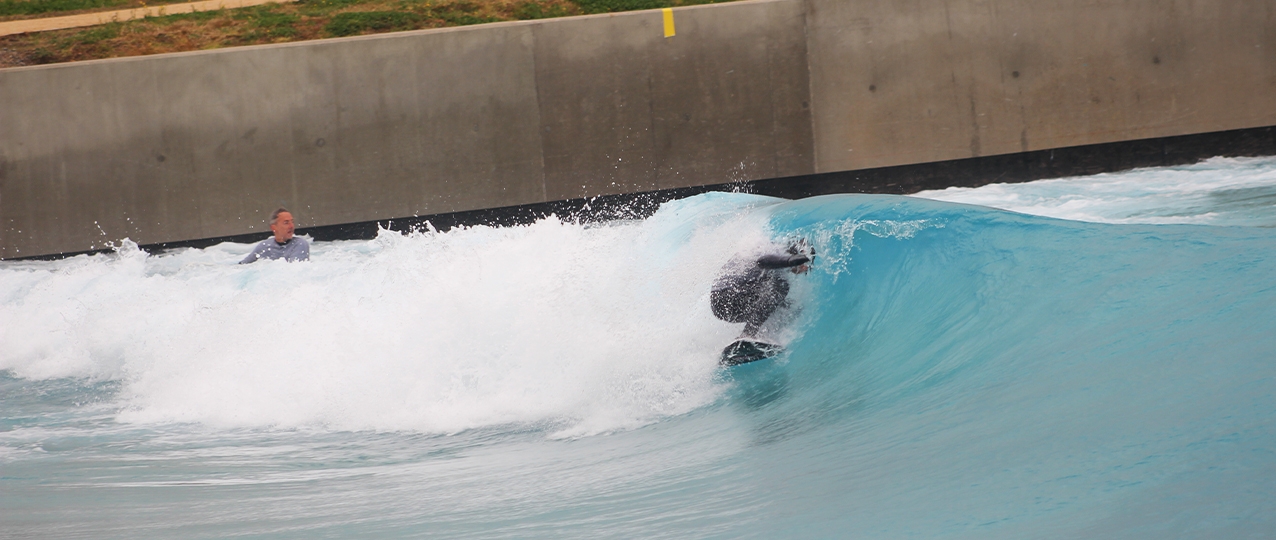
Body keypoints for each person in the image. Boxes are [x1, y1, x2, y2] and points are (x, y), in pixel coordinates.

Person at [711, 240, 813, 338]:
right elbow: (763, 261)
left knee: (781, 307)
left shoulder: (762, 248)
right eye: (807, 263)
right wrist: (788, 261)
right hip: (729, 295)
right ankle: (747, 334)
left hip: (722, 305)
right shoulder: (776, 250)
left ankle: (757, 339)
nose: (806, 268)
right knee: (781, 286)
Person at [240, 207, 310, 264]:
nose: (291, 226)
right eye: (286, 223)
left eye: (292, 222)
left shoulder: (300, 244)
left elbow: (294, 271)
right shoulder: (264, 246)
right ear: (274, 227)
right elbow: (242, 265)